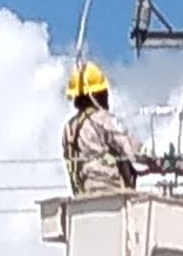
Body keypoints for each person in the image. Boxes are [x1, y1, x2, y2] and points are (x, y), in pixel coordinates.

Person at [62, 61, 160, 195]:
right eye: (103, 92)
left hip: (83, 197)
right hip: (113, 195)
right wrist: (158, 160)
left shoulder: (69, 128)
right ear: (95, 95)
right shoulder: (103, 120)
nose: (107, 96)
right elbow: (131, 149)